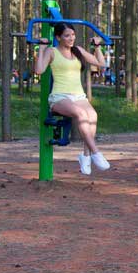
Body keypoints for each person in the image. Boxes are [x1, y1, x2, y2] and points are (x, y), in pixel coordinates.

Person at [33, 22, 111, 175]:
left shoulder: (78, 51)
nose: (71, 38)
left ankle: (86, 156)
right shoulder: (52, 51)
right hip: (59, 97)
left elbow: (101, 64)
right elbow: (39, 70)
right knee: (81, 114)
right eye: (67, 36)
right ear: (58, 37)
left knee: (93, 115)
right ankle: (96, 153)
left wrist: (97, 47)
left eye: (73, 35)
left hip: (78, 96)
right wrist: (41, 48)